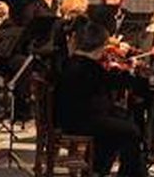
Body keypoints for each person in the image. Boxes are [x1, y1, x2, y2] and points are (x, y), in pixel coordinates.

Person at [54, 19, 147, 176]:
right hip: (79, 121)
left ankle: (98, 169)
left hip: (72, 117)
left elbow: (107, 80)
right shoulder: (87, 66)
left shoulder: (73, 62)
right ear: (101, 46)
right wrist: (136, 76)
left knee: (120, 121)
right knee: (130, 131)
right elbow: (115, 82)